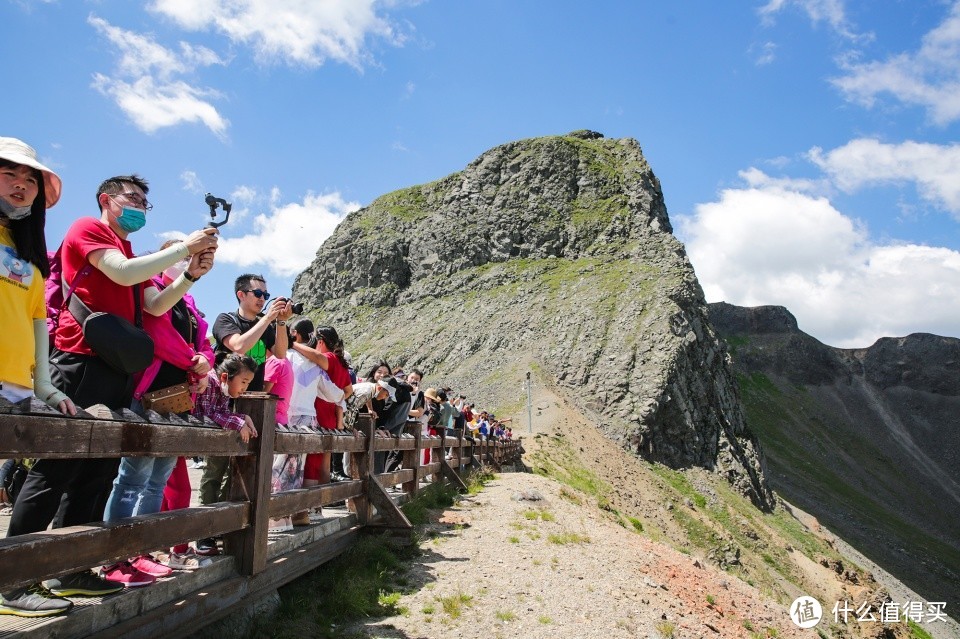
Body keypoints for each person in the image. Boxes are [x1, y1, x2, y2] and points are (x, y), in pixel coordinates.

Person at [3, 162, 217, 614]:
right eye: (132, 200)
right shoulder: (88, 230)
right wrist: (184, 247)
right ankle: (12, 578)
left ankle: (71, 567)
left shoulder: (126, 246)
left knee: (99, 470)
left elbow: (154, 303)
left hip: (115, 367)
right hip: (80, 360)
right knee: (55, 468)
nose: (139, 208)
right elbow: (120, 273)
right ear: (106, 200)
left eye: (144, 203)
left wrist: (190, 275)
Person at [101, 239, 215, 582]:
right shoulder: (150, 288)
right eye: (180, 253)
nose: (185, 260)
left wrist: (204, 365)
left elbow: (205, 346)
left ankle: (142, 552)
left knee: (157, 480)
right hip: (150, 395)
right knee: (132, 477)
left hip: (179, 401)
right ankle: (113, 558)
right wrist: (192, 362)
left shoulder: (191, 305)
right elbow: (156, 332)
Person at [199, 275, 290, 547]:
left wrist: (281, 322)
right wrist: (266, 319)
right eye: (258, 293)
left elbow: (282, 353)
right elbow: (238, 345)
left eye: (266, 294)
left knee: (243, 469)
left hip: (252, 401)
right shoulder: (225, 319)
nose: (263, 298)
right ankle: (205, 530)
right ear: (241, 294)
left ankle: (230, 526)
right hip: (222, 399)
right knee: (216, 467)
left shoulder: (267, 323)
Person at [288, 325, 353, 524]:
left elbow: (317, 358)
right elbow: (349, 391)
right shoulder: (342, 364)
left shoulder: (330, 359)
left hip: (319, 414)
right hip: (331, 417)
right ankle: (318, 506)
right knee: (323, 465)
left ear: (321, 341)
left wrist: (293, 344)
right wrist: (337, 402)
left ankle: (309, 509)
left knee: (312, 465)